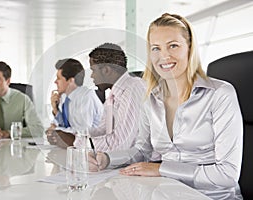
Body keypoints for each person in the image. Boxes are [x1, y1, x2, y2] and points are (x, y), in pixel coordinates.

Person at [89, 14, 243, 200]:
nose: (164, 56)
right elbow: (142, 151)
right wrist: (107, 159)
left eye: (173, 46)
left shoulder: (220, 94)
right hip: (165, 192)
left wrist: (162, 169)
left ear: (190, 48)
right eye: (156, 48)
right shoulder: (151, 99)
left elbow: (227, 175)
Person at [86, 43, 146, 151]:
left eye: (93, 70)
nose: (92, 76)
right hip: (123, 162)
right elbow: (101, 128)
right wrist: (76, 135)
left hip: (143, 162)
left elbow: (120, 144)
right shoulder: (113, 96)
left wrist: (81, 143)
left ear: (106, 70)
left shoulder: (132, 89)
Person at [46, 58, 103, 147]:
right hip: (75, 148)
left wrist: (57, 130)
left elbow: (82, 131)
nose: (55, 82)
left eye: (59, 78)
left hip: (94, 148)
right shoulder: (65, 97)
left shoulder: (86, 96)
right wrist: (55, 109)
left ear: (71, 81)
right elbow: (63, 125)